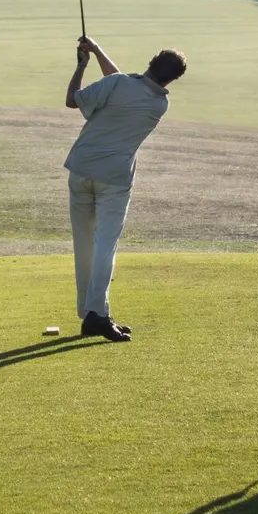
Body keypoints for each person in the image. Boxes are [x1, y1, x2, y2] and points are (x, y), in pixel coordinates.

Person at [64, 37, 187, 342]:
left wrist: (82, 65)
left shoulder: (118, 84)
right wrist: (96, 50)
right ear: (171, 79)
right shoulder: (160, 103)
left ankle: (91, 313)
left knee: (85, 245)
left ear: (150, 61)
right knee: (105, 246)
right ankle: (97, 315)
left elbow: (73, 98)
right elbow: (121, 83)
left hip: (80, 170)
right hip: (115, 181)